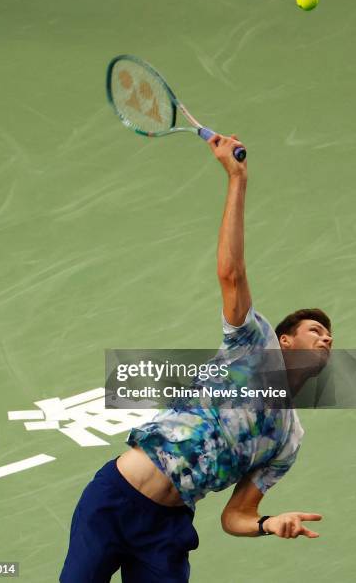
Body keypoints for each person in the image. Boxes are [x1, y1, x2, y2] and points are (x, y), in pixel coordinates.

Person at [60, 134, 333, 583]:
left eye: (329, 337)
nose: (325, 341)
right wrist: (237, 178)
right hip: (115, 497)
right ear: (284, 341)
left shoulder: (287, 440)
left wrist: (269, 524)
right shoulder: (253, 344)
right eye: (315, 331)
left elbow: (236, 517)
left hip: (167, 530)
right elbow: (231, 272)